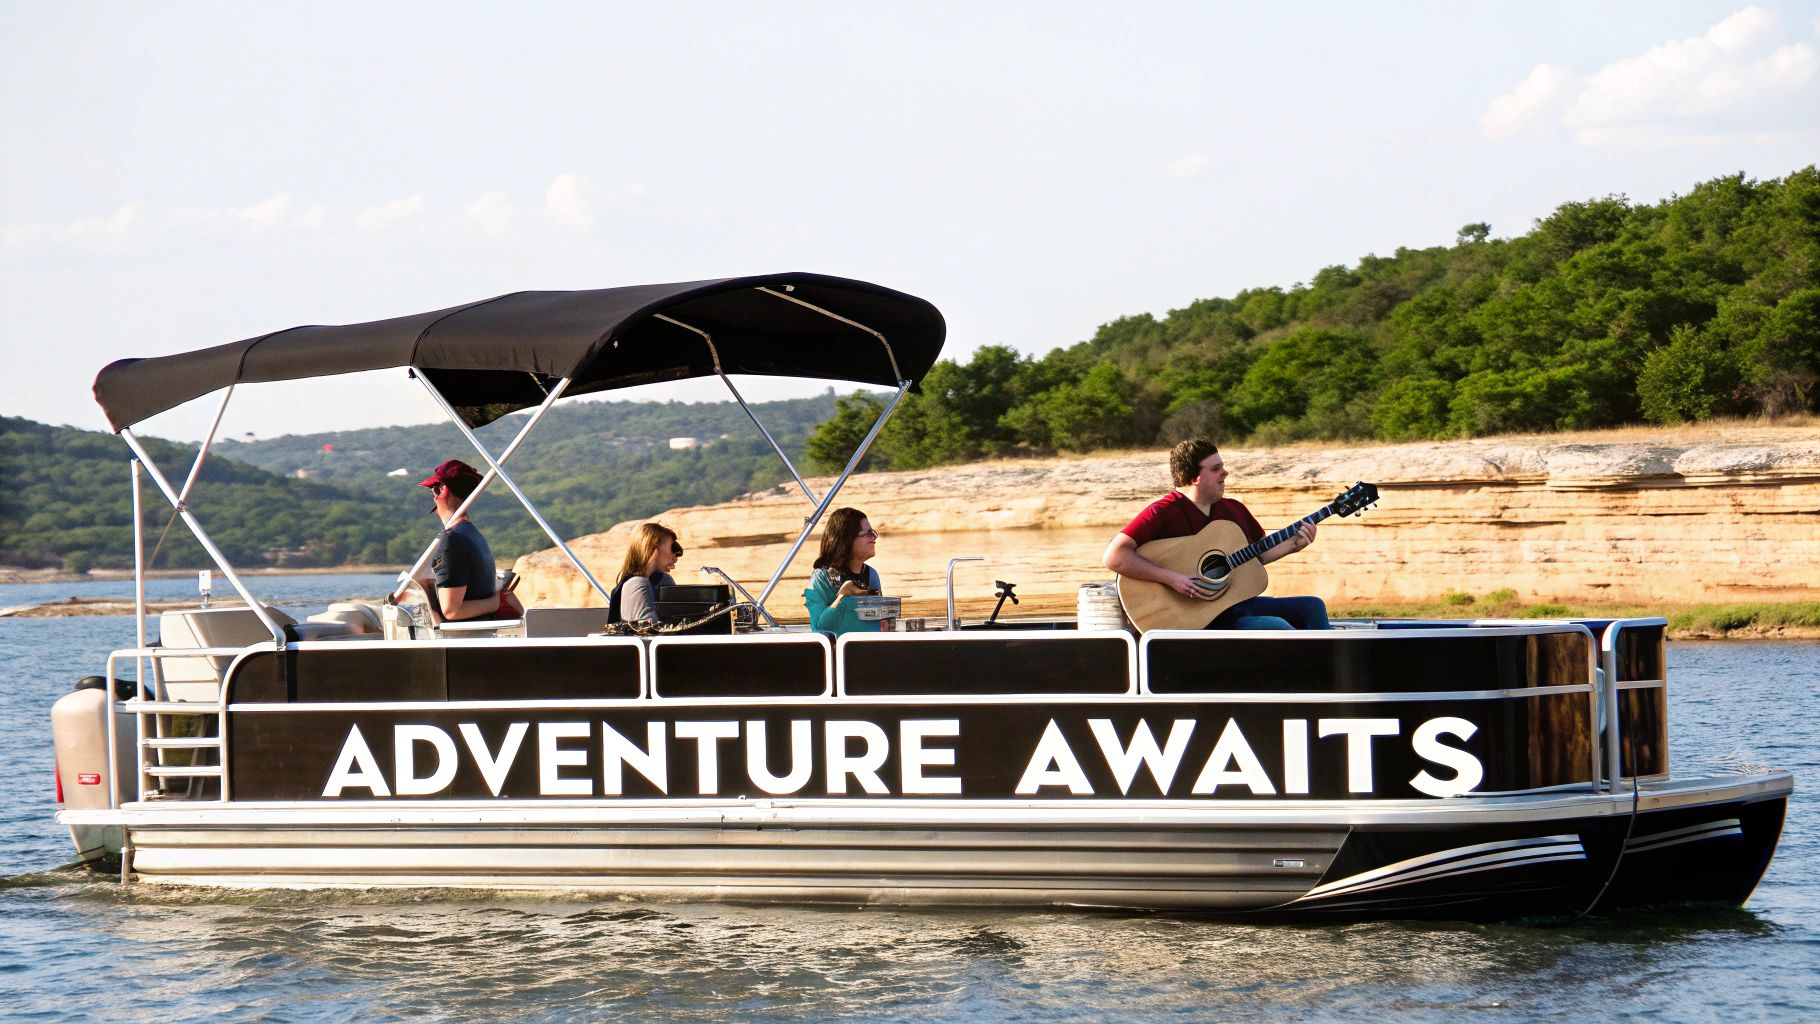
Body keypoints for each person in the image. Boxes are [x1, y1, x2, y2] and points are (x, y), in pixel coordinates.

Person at [1102, 438, 1329, 630]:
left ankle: (1328, 669)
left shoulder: (1234, 509)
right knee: (1274, 627)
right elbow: (1115, 556)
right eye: (1215, 469)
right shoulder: (1163, 512)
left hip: (1233, 603)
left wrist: (1294, 544)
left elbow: (1256, 556)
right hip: (1195, 617)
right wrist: (1172, 579)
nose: (1225, 473)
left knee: (1313, 607)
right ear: (1194, 478)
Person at [414, 459, 503, 623]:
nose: (434, 498)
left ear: (443, 490)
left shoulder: (453, 540)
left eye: (434, 490)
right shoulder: (474, 535)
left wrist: (494, 603)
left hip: (461, 636)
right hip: (483, 631)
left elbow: (451, 611)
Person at [804, 507, 888, 636]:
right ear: (846, 539)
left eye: (872, 532)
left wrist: (884, 622)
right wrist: (842, 597)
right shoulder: (821, 578)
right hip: (838, 647)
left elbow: (876, 625)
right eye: (867, 533)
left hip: (867, 646)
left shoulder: (871, 574)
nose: (874, 537)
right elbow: (819, 630)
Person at [609, 522, 681, 626]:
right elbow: (650, 631)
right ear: (653, 548)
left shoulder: (662, 581)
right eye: (672, 548)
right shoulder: (637, 584)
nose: (676, 555)